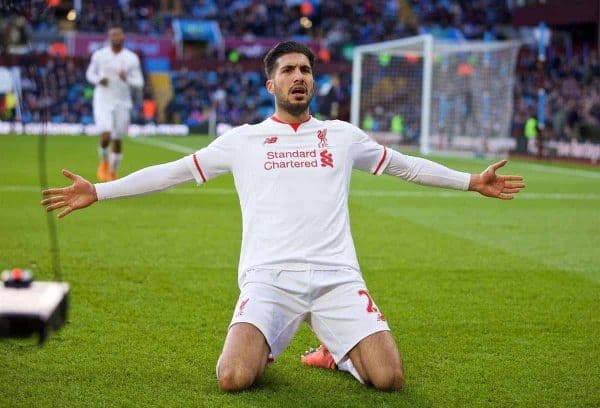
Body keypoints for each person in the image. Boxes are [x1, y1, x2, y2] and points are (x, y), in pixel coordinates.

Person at [42, 41, 525, 392]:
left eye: (306, 70)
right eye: (289, 70)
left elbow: (407, 167)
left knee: (389, 378)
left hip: (337, 277)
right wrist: (99, 191)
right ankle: (285, 333)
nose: (300, 77)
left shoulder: (341, 135)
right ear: (270, 82)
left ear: (313, 81)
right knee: (232, 378)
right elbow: (171, 173)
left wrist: (471, 181)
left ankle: (337, 352)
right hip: (269, 279)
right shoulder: (242, 140)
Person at [85, 26, 144, 182]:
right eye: (113, 35)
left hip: (122, 102)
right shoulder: (99, 55)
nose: (116, 38)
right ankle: (104, 162)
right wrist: (98, 80)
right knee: (106, 134)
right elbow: (89, 74)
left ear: (123, 38)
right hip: (103, 99)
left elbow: (139, 82)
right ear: (109, 38)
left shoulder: (131, 58)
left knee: (117, 139)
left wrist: (127, 79)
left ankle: (113, 171)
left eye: (119, 35)